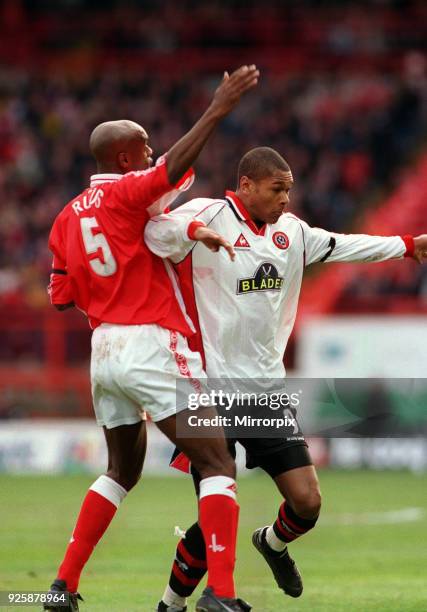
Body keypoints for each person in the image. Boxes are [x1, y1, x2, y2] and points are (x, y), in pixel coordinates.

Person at [145, 146, 427, 611]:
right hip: (203, 387)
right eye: (278, 190)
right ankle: (172, 604)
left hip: (266, 393)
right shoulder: (208, 212)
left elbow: (345, 245)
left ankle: (272, 543)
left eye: (289, 190)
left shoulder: (292, 233)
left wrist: (405, 245)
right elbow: (156, 231)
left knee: (307, 502)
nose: (286, 200)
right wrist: (195, 231)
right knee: (217, 512)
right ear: (248, 185)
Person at [44, 66, 259, 612]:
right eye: (143, 147)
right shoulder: (125, 194)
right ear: (123, 159)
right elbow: (172, 169)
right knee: (216, 464)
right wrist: (219, 107)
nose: (150, 153)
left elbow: (61, 295)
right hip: (150, 341)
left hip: (104, 351)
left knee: (120, 471)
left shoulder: (66, 217)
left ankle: (61, 587)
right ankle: (221, 595)